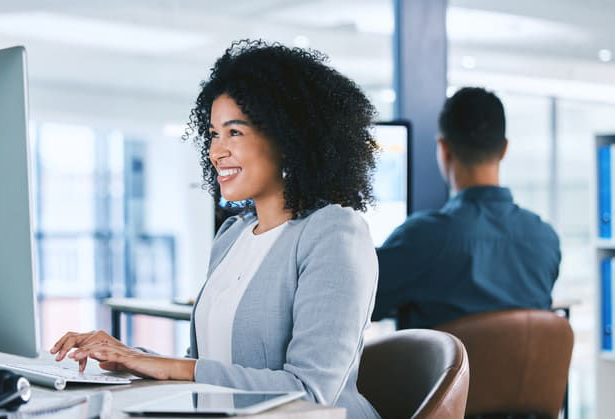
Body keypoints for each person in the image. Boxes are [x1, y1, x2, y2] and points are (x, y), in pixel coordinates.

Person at [49, 40, 381, 418]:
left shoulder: (334, 233)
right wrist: (130, 357)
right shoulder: (233, 235)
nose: (215, 151)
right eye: (213, 134)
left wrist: (166, 366)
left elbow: (309, 391)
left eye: (234, 133)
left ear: (289, 139)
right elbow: (207, 366)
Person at [372, 87, 561, 329]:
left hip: (440, 369)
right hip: (523, 368)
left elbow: (359, 302)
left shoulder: (422, 238)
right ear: (504, 149)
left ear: (443, 149)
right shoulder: (545, 239)